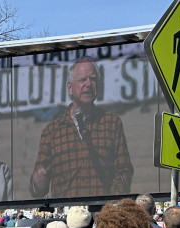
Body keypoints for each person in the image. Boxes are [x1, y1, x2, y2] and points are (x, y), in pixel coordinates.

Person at [29, 58, 134, 198]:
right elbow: (37, 190)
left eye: (93, 79)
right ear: (70, 88)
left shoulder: (111, 123)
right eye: (82, 80)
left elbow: (124, 170)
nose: (88, 84)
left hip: (103, 213)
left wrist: (112, 202)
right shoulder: (52, 131)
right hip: (68, 216)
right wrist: (38, 184)